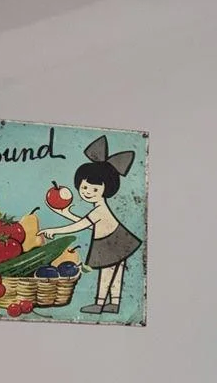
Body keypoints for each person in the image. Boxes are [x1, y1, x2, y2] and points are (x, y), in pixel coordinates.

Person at [41, 135, 142, 315]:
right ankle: (114, 304)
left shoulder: (99, 211)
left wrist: (54, 231)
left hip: (111, 243)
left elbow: (80, 225)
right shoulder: (99, 210)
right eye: (84, 187)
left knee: (108, 274)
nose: (87, 192)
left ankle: (99, 304)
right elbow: (89, 225)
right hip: (119, 240)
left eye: (94, 189)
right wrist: (66, 213)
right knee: (117, 273)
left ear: (106, 189)